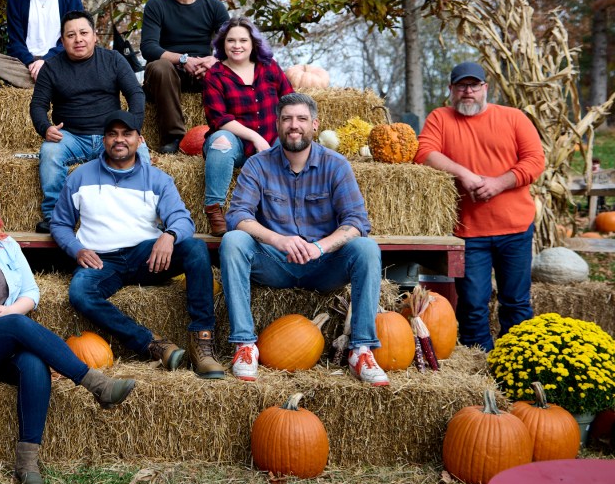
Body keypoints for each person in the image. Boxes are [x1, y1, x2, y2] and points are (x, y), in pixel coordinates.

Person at [0, 180, 136, 484]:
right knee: (16, 325)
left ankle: (27, 461)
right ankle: (95, 383)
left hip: (4, 343)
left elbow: (31, 292)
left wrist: (9, 311)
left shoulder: (7, 245)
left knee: (33, 362)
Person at [219, 92, 388, 386]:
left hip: (323, 265)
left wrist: (319, 247)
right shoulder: (258, 165)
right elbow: (238, 215)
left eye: (301, 119)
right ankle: (245, 346)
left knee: (366, 248)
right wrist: (279, 240)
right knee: (233, 241)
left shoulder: (336, 165)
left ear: (314, 125)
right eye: (287, 119)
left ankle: (361, 350)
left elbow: (357, 222)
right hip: (275, 263)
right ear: (277, 124)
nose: (293, 125)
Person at [53, 111, 225, 379]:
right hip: (102, 261)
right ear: (103, 140)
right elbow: (60, 224)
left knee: (195, 248)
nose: (119, 140)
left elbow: (182, 219)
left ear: (139, 139)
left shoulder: (157, 179)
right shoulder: (80, 177)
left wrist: (168, 236)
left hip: (148, 257)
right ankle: (152, 344)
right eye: (112, 134)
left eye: (126, 134)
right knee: (80, 293)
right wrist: (77, 249)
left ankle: (201, 343)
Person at [415, 61, 545, 351]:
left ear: (486, 88)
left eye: (474, 85)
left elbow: (535, 161)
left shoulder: (513, 118)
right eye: (462, 86)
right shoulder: (441, 118)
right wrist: (466, 175)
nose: (468, 91)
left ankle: (516, 359)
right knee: (473, 303)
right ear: (451, 90)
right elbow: (423, 152)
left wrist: (498, 183)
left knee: (516, 302)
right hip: (469, 231)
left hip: (516, 228)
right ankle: (480, 364)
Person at [29, 10, 147, 233]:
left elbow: (135, 94)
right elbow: (37, 105)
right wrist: (45, 128)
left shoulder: (114, 60)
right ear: (62, 41)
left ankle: (144, 210)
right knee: (50, 151)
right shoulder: (52, 68)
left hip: (112, 135)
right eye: (71, 35)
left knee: (141, 153)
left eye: (83, 33)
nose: (78, 39)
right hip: (71, 136)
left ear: (94, 36)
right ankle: (56, 215)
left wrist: (133, 128)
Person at [201, 17, 294, 235]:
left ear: (253, 43)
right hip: (238, 146)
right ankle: (214, 209)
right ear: (222, 44)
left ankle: (287, 211)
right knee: (220, 141)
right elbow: (219, 118)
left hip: (272, 141)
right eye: (231, 40)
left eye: (243, 40)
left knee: (294, 141)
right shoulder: (215, 75)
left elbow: (289, 100)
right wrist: (255, 137)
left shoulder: (269, 67)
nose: (237, 45)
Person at [140, 0, 230, 153]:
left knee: (230, 66)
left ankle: (225, 134)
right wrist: (182, 60)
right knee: (159, 66)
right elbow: (148, 47)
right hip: (169, 74)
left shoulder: (214, 7)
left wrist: (213, 60)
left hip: (203, 72)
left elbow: (233, 43)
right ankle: (174, 139)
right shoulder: (157, 5)